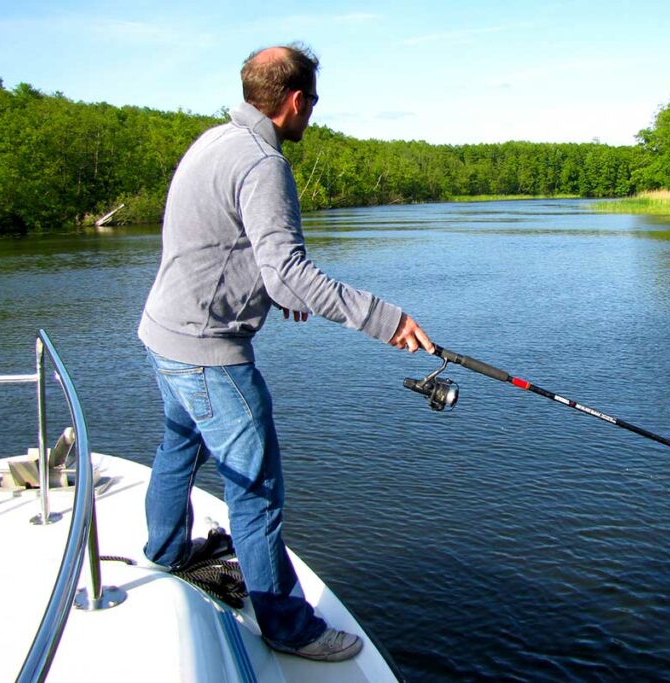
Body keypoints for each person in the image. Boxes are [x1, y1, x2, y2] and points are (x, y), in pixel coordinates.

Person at [138, 43, 433, 663]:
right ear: (295, 101)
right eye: (314, 102)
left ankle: (166, 551)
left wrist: (270, 287)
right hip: (207, 351)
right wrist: (389, 320)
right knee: (258, 490)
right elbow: (287, 271)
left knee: (179, 446)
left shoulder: (213, 139)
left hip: (163, 332)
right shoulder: (262, 163)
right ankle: (287, 626)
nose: (313, 115)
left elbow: (222, 245)